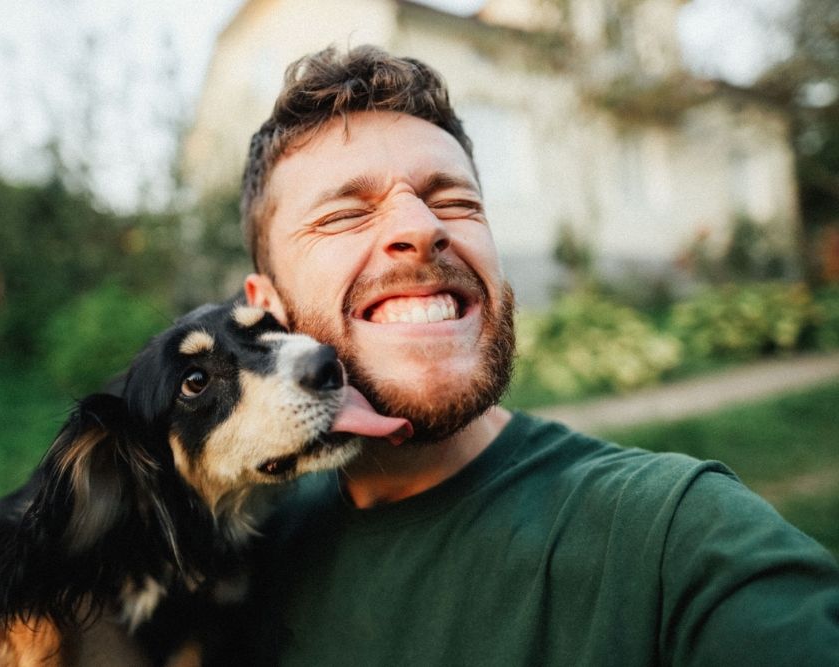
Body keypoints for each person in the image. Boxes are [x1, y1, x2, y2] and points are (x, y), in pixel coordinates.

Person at [237, 45, 839, 665]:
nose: (422, 228)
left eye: (455, 202)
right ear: (266, 309)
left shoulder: (673, 540)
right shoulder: (237, 550)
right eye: (345, 214)